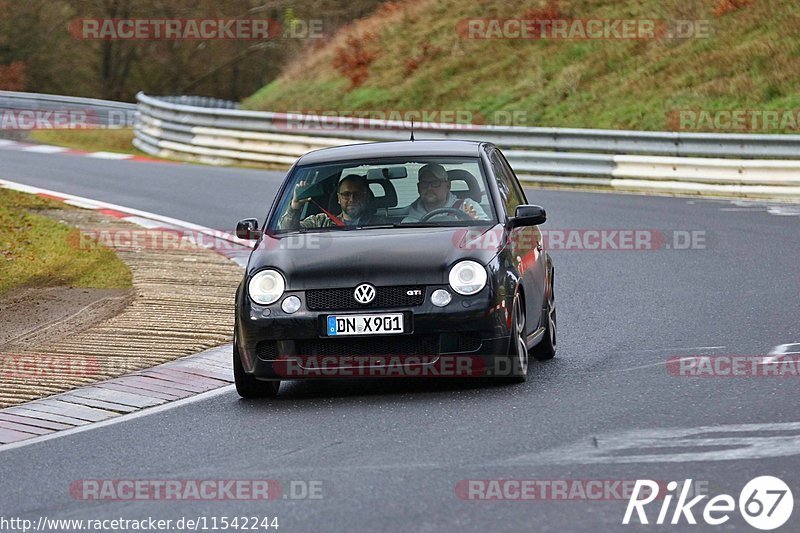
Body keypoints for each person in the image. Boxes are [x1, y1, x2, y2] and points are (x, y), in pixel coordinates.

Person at [277, 174, 383, 230]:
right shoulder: (320, 222)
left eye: (358, 194)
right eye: (346, 194)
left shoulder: (381, 224)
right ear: (338, 198)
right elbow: (286, 231)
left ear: (366, 197)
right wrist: (295, 207)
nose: (352, 199)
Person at [402, 163, 489, 223]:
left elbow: (487, 232)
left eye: (435, 183)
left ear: (448, 186)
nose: (429, 188)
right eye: (424, 184)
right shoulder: (410, 221)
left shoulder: (467, 207)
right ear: (418, 188)